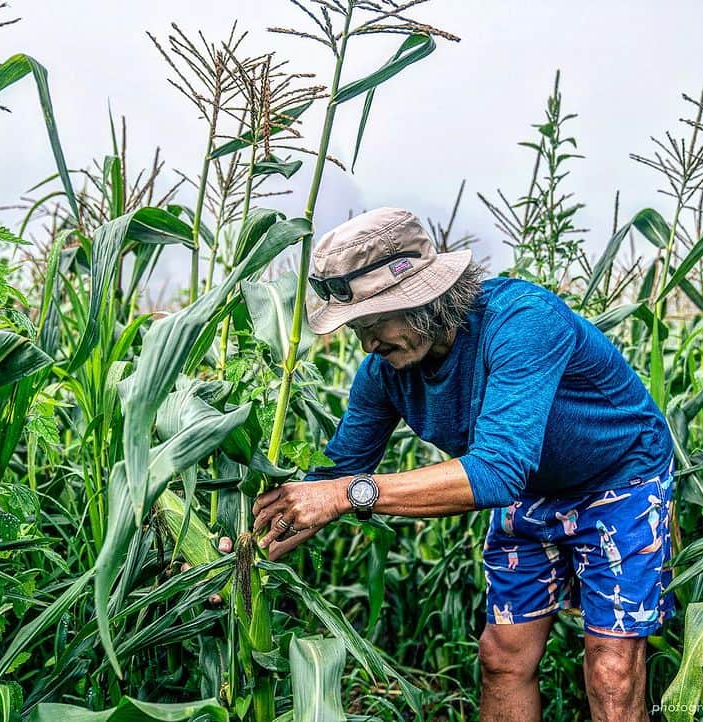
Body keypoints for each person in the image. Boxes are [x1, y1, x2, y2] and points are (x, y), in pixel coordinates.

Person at [247, 207, 675, 722]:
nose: (367, 344)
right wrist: (244, 550)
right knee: (501, 658)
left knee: (611, 670)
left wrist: (347, 495)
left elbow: (495, 473)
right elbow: (330, 478)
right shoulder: (384, 371)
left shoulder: (523, 321)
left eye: (374, 322)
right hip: (532, 490)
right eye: (357, 328)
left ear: (421, 298)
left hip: (619, 479)